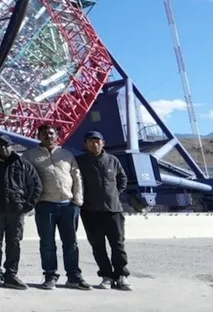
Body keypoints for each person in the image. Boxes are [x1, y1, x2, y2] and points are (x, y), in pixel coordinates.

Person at [22, 124, 90, 290]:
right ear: (38, 136)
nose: (48, 136)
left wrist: (77, 201)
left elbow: (76, 176)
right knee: (47, 243)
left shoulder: (66, 154)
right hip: (45, 205)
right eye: (44, 134)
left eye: (51, 133)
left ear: (56, 135)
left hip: (68, 205)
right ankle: (50, 275)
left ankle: (74, 276)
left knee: (71, 243)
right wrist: (32, 201)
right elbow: (24, 179)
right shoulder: (29, 155)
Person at [0, 134, 42, 290]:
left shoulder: (23, 164)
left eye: (6, 145)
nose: (3, 148)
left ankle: (11, 274)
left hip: (16, 211)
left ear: (12, 146)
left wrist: (28, 205)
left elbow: (36, 185)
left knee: (14, 243)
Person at [75, 131, 131, 291]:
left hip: (113, 210)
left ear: (103, 143)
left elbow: (123, 179)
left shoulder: (113, 161)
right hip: (90, 211)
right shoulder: (80, 162)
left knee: (118, 244)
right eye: (91, 141)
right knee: (98, 246)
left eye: (98, 141)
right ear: (85, 144)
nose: (95, 144)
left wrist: (114, 194)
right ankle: (106, 276)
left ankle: (121, 275)